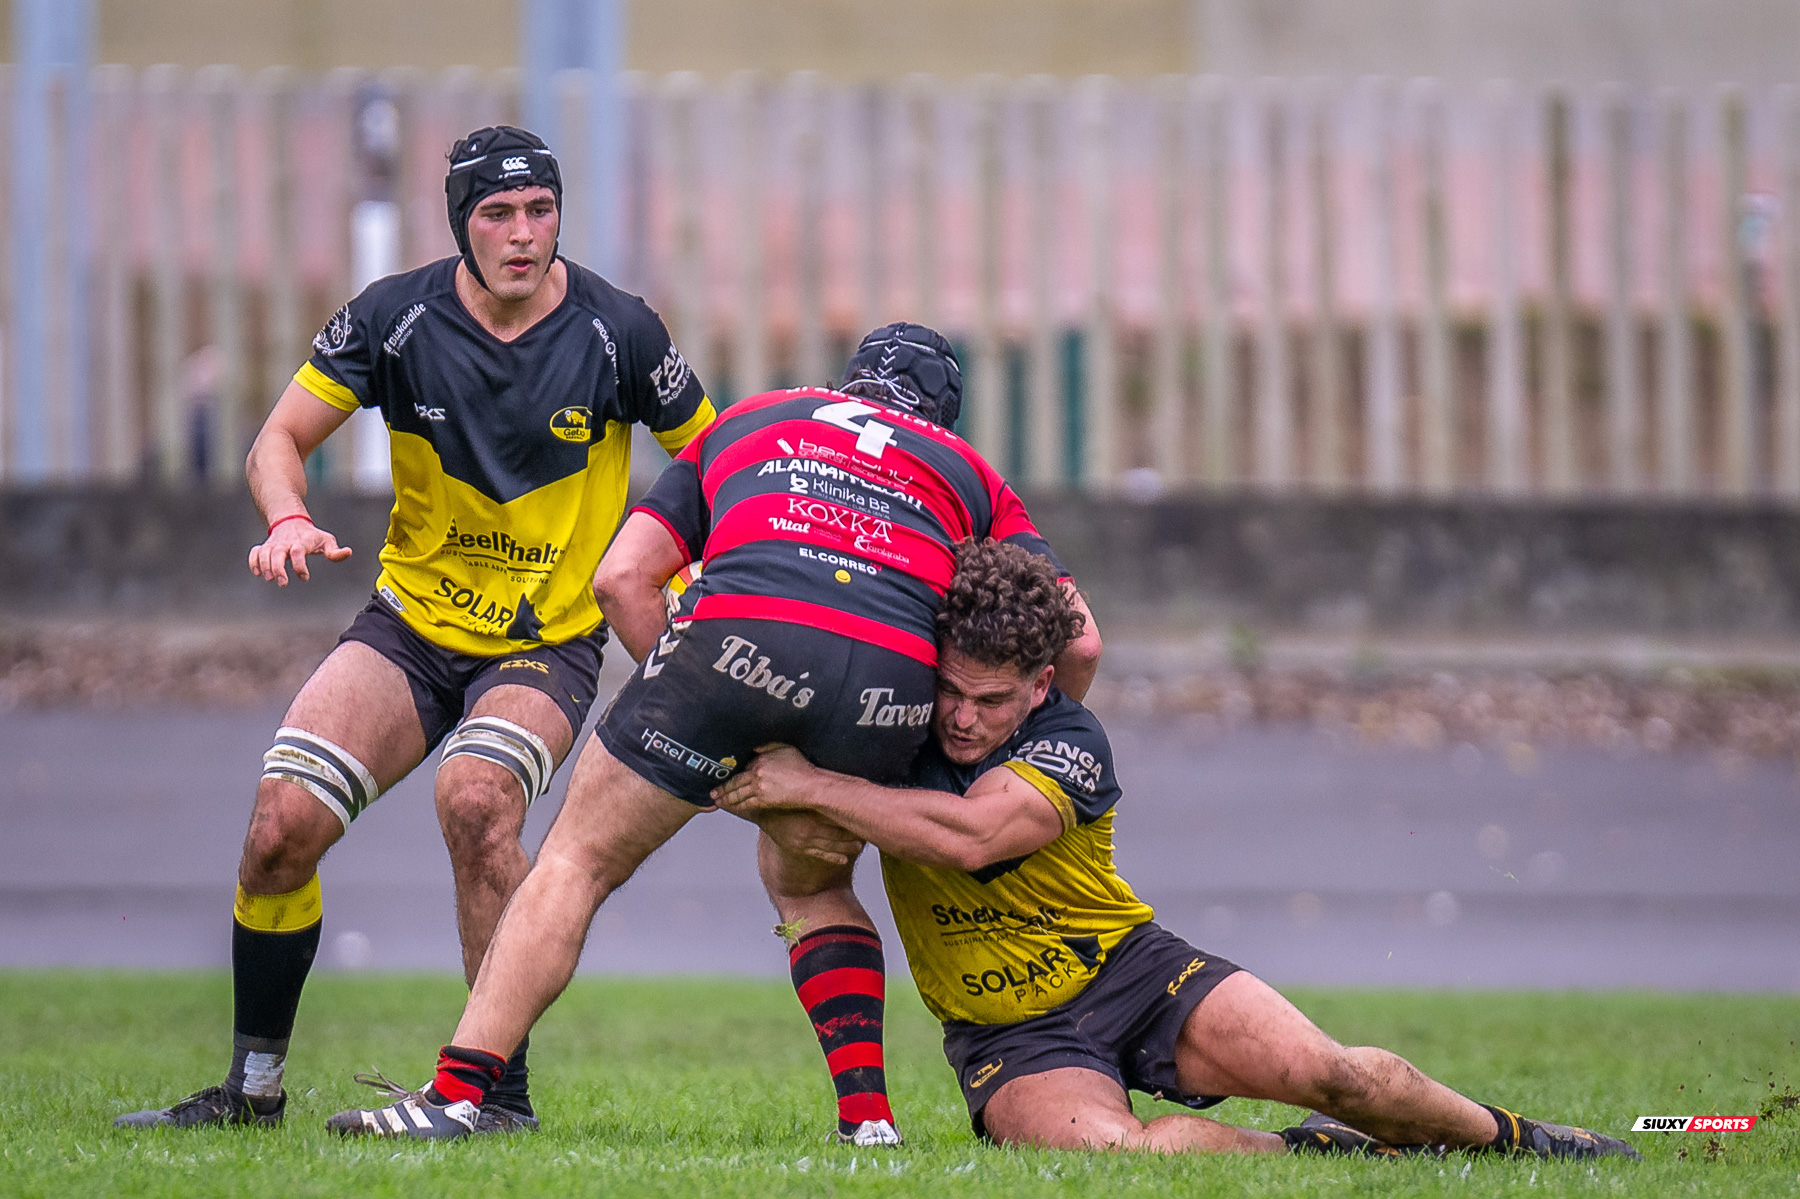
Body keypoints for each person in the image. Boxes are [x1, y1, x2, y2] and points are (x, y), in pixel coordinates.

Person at [323, 323, 1100, 1142]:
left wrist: (703, 695)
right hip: (886, 680)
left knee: (577, 861)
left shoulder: (751, 418)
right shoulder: (970, 471)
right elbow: (1078, 639)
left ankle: (457, 1095)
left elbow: (622, 578)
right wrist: (1022, 753)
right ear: (944, 417)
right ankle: (868, 1121)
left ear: (846, 383)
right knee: (807, 883)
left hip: (737, 635)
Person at [114, 126, 716, 1134]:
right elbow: (279, 440)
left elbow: (718, 466)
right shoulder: (396, 318)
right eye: (498, 214)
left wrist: (691, 582)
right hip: (408, 626)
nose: (524, 235)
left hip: (546, 639)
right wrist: (289, 514)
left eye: (541, 211)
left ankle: (493, 1098)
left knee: (478, 801)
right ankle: (251, 1087)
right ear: (461, 224)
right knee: (279, 827)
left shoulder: (622, 331)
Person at [712, 538, 1641, 1162]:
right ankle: (1313, 1151)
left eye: (991, 701)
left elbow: (973, 837)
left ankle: (1521, 1141)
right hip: (1007, 1035)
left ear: (1040, 686)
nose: (962, 717)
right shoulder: (896, 729)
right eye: (951, 690)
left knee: (1340, 1072)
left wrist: (809, 783)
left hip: (1134, 969)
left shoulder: (1071, 741)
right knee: (1129, 1154)